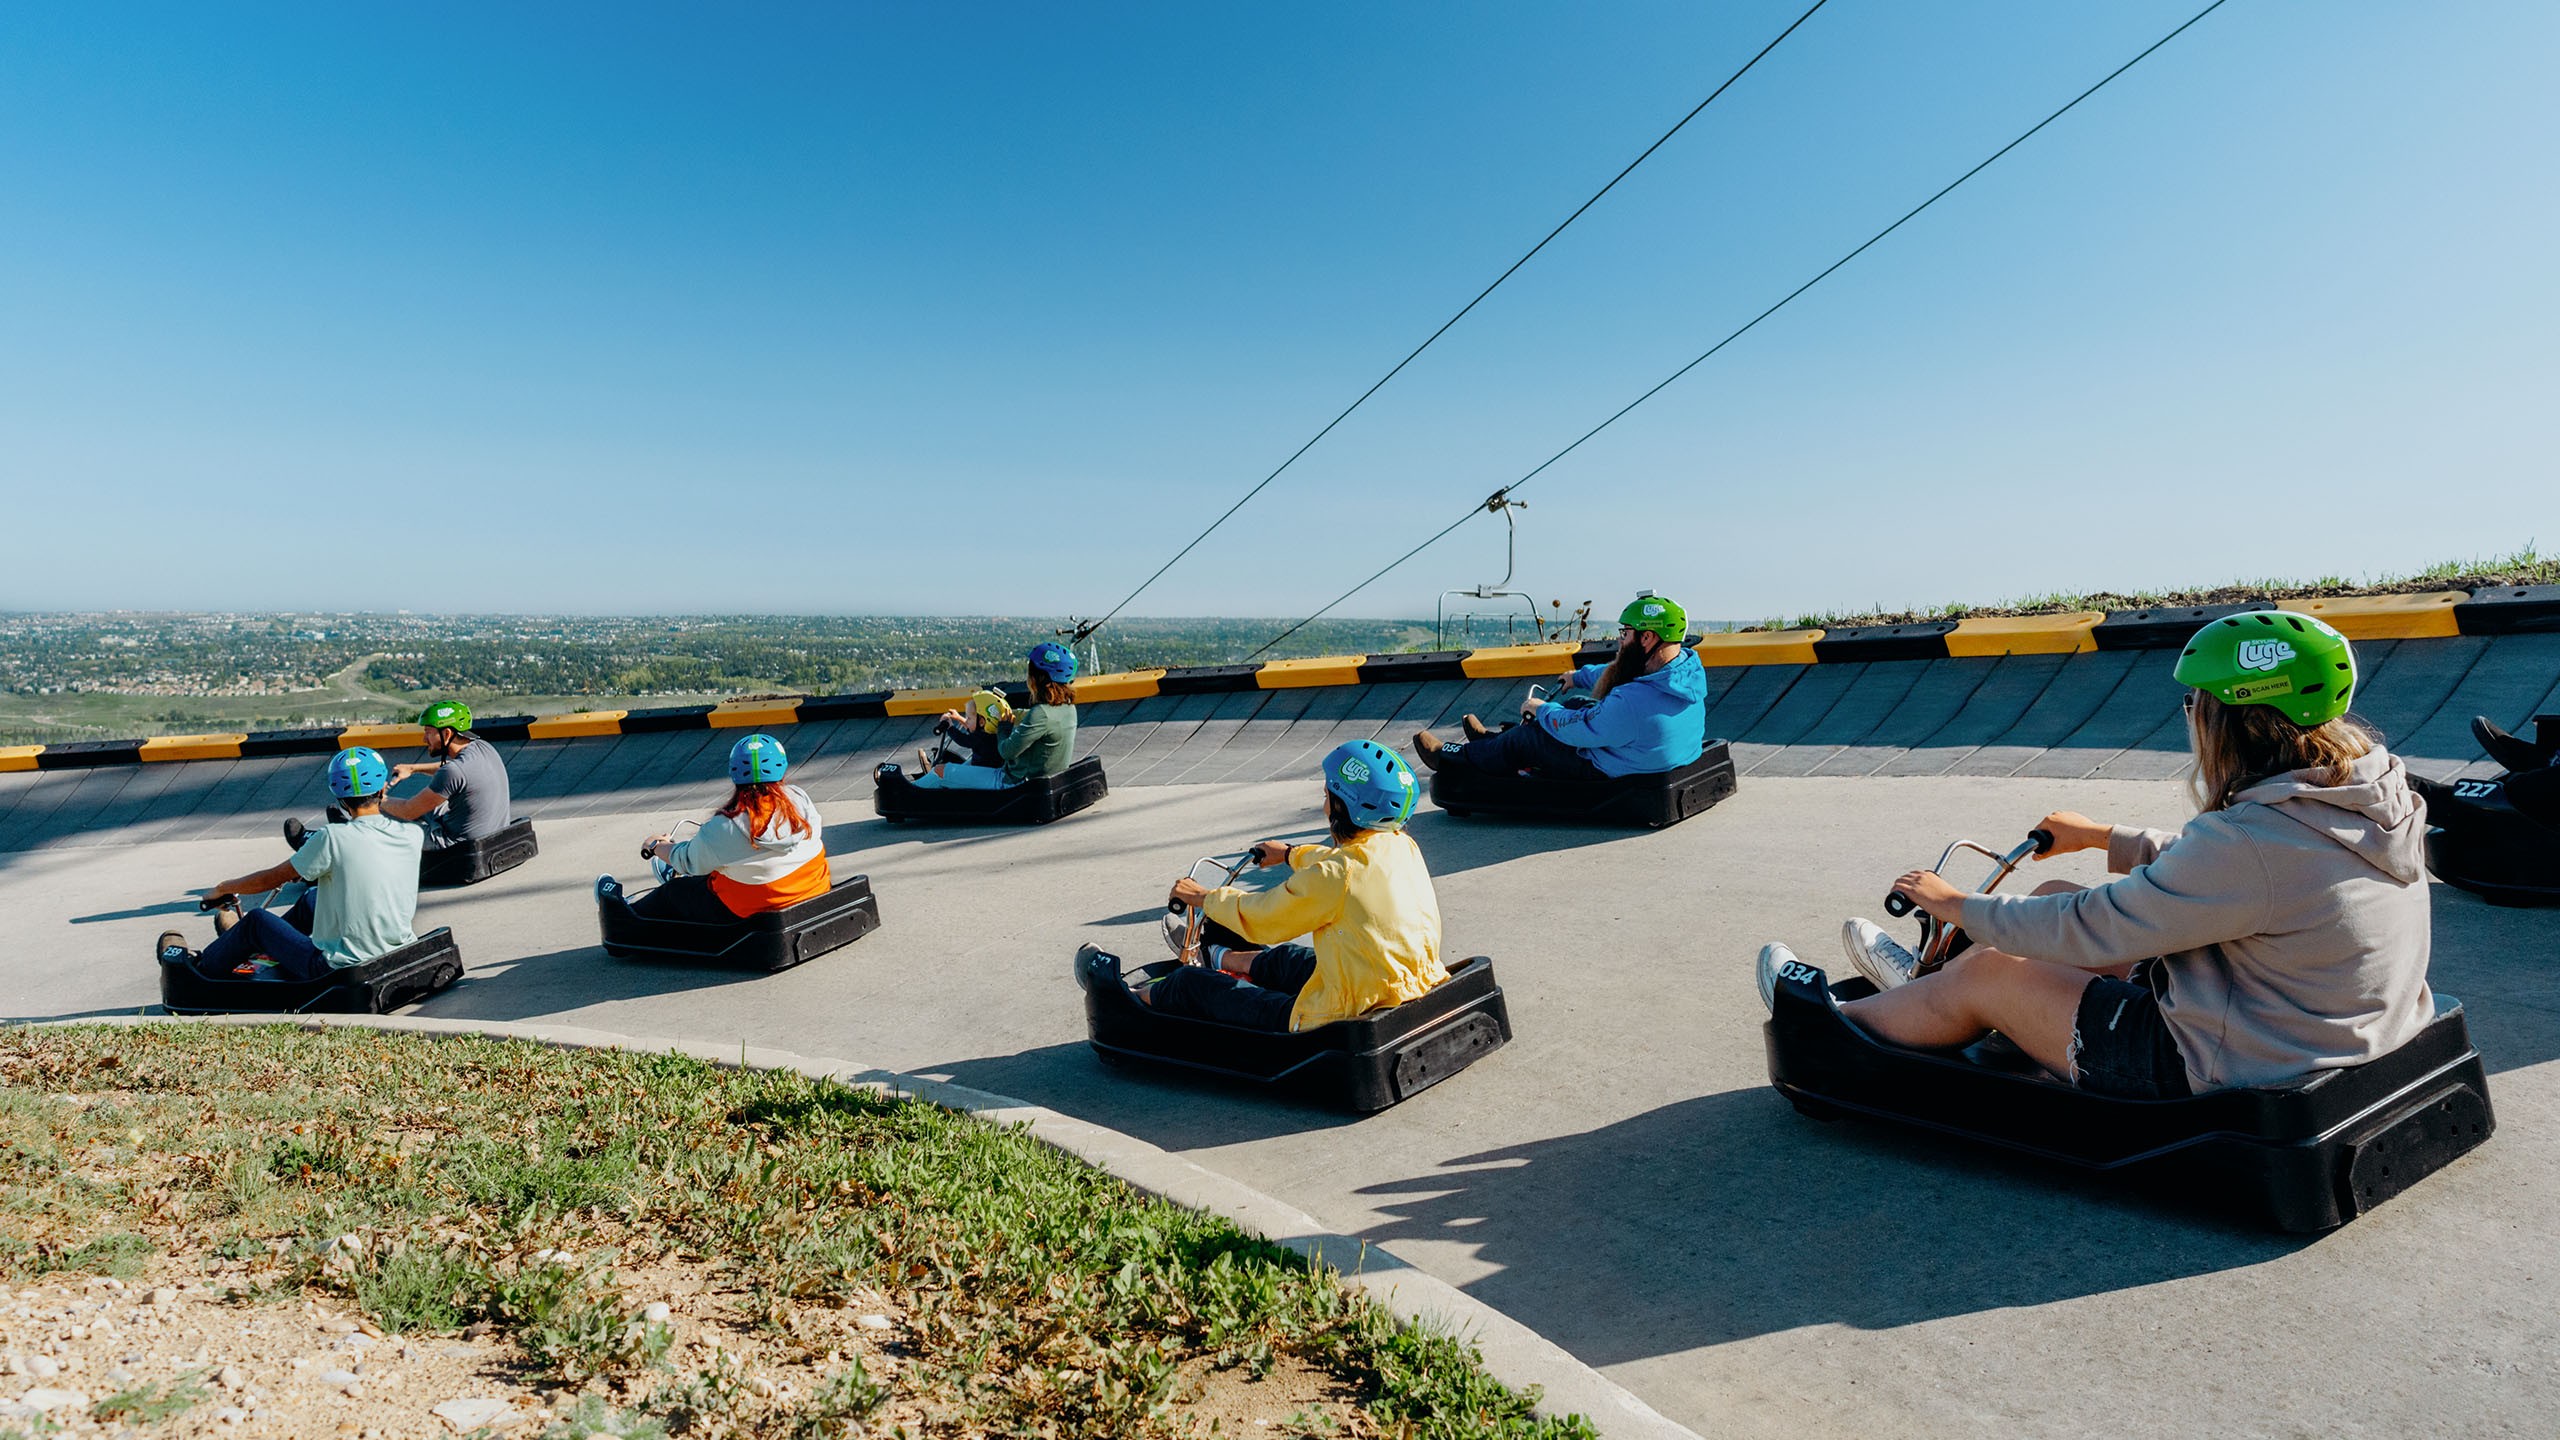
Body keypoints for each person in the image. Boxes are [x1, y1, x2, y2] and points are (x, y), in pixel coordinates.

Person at [1758, 613, 2433, 1099]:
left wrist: (1954, 902)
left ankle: (1833, 1025)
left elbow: (2094, 925)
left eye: (2196, 702)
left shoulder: (2250, 841)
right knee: (2052, 890)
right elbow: (2243, 881)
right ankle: (1924, 998)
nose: (2191, 713)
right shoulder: (2359, 793)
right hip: (2309, 1018)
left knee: (1994, 972)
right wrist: (2104, 837)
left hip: (2236, 1058)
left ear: (2235, 718)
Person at [1141, 740, 1447, 1032]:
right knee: (1290, 960)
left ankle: (1128, 998)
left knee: (1192, 985)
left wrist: (1204, 897)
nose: (1324, 803)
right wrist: (1289, 854)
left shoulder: (1335, 875)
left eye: (1327, 796)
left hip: (1344, 1013)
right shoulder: (1401, 845)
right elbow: (1340, 864)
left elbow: (1265, 918)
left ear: (1343, 807)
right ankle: (1219, 957)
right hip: (1406, 981)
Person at [165, 747, 423, 982]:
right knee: (312, 898)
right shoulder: (412, 834)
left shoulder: (332, 838)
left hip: (337, 966)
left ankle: (197, 968)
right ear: (381, 790)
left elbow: (271, 879)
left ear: (340, 799)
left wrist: (222, 888)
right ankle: (247, 944)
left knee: (257, 921)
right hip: (395, 948)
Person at [1411, 591, 1706, 781]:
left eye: (1625, 633)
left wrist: (1541, 710)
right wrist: (1578, 677)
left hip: (1612, 766)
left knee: (1531, 739)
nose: (1620, 639)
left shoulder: (1631, 702)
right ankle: (1492, 743)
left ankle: (1450, 758)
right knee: (1577, 704)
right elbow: (1619, 670)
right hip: (1650, 751)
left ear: (1647, 638)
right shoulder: (1684, 669)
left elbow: (1581, 730)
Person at [594, 733, 830, 923]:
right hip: (812, 889)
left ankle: (619, 913)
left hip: (756, 905)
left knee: (674, 892)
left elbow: (685, 859)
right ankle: (689, 876)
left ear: (734, 773)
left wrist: (657, 846)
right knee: (726, 863)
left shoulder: (726, 826)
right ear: (782, 767)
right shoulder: (801, 801)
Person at [282, 700, 513, 856]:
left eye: (428, 732)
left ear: (447, 733)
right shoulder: (482, 748)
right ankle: (350, 826)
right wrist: (414, 768)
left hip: (453, 845)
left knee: (387, 824)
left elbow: (409, 810)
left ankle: (318, 843)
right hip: (482, 831)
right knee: (414, 810)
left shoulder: (454, 772)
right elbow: (456, 773)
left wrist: (376, 799)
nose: (424, 739)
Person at [912, 642, 1080, 790]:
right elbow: (1027, 717)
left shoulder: (1041, 714)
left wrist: (1003, 728)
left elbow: (1006, 752)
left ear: (1040, 678)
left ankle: (908, 792)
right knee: (971, 763)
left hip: (1012, 782)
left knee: (941, 771)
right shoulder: (1068, 709)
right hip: (1041, 778)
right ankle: (939, 783)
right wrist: (1001, 714)